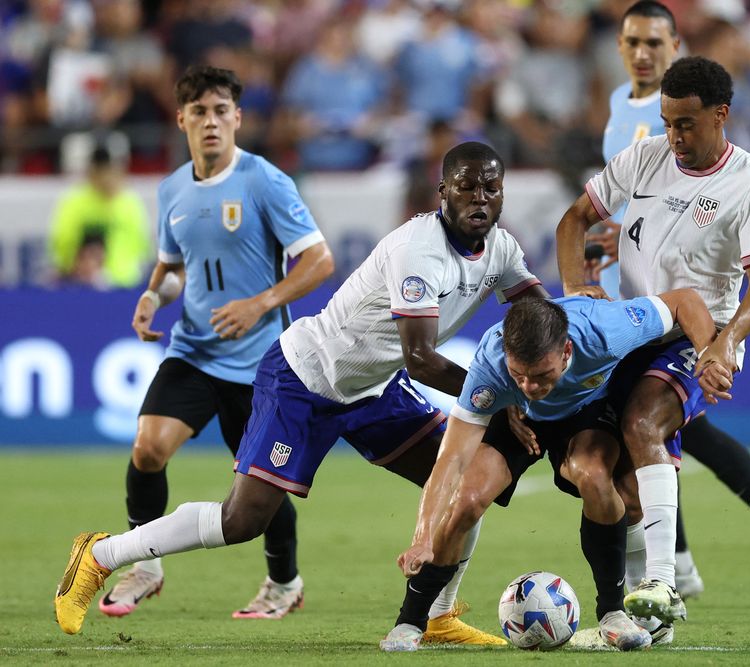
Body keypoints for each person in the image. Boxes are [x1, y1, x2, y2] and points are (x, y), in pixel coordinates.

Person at [54, 141, 547, 643]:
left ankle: (440, 616)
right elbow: (421, 360)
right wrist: (499, 399)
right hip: (307, 378)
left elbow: (544, 318)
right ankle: (99, 555)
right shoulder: (418, 250)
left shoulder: (501, 249)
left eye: (491, 187)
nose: (479, 198)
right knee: (242, 519)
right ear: (443, 192)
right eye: (466, 186)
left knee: (468, 482)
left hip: (374, 388)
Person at [556, 56, 750, 623]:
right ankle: (649, 607)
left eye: (685, 124)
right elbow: (574, 220)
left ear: (720, 115)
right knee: (609, 470)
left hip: (697, 339)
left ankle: (660, 579)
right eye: (666, 121)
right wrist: (578, 286)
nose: (673, 136)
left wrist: (726, 344)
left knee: (641, 426)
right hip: (634, 330)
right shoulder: (645, 156)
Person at [82, 65, 334, 623]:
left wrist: (259, 304)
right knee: (148, 447)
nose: (212, 121)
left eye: (222, 110)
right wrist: (153, 297)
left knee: (262, 485)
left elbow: (319, 260)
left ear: (238, 118)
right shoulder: (171, 188)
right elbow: (173, 268)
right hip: (194, 350)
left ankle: (283, 583)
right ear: (181, 120)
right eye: (199, 111)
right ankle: (145, 563)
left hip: (263, 363)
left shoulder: (265, 180)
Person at [381, 291, 723, 652]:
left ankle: (611, 613)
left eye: (541, 375)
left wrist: (708, 355)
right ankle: (411, 620)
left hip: (586, 413)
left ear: (567, 353)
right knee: (466, 499)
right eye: (519, 375)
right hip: (517, 418)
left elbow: (684, 301)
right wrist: (421, 537)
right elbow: (450, 460)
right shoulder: (491, 364)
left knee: (594, 477)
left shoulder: (605, 331)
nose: (530, 386)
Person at [48, 145, 152, 288]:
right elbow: (63, 242)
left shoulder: (129, 202)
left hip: (125, 283)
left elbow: (141, 244)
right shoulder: (75, 202)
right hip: (84, 284)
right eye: (102, 172)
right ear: (92, 173)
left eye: (109, 171)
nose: (106, 178)